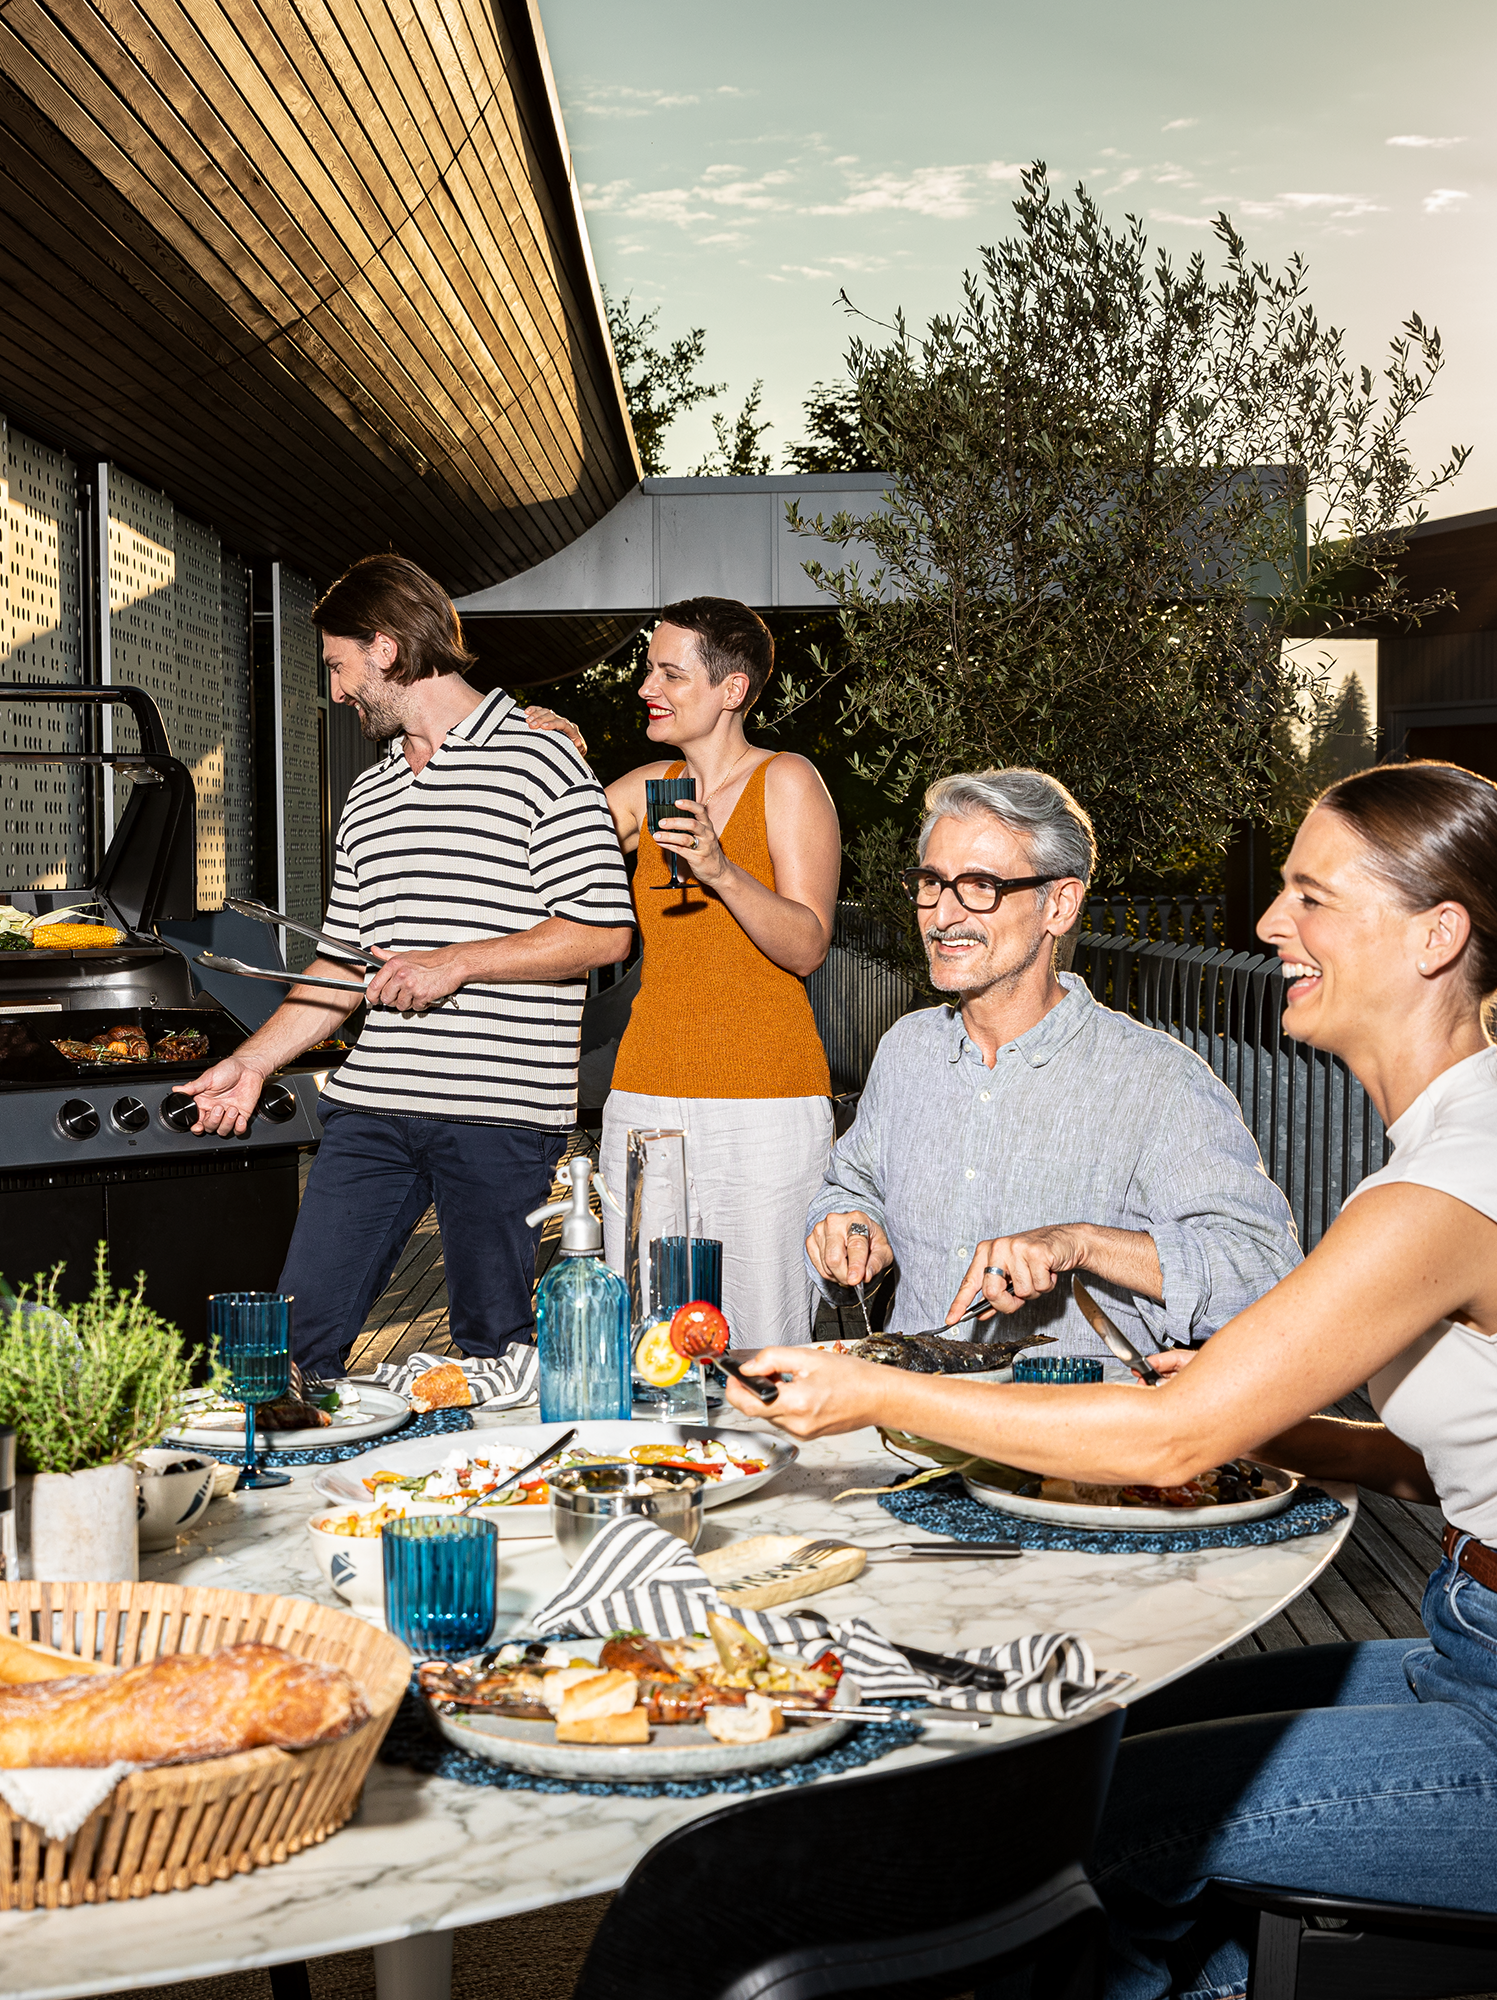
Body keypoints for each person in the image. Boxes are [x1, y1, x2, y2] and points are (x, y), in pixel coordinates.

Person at [732, 761, 1497, 2000]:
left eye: (1307, 895)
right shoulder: (1443, 1147)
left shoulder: (1444, 1178)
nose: (1263, 923)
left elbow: (1162, 1438)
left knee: (1095, 1827)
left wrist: (869, 1389)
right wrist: (1291, 1430)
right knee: (1099, 1758)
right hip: (1461, 1629)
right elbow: (1450, 1452)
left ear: (1436, 933)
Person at [181, 556, 634, 1376]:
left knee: (494, 1351)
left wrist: (452, 964)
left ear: (385, 649)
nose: (337, 688)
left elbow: (603, 932)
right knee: (292, 1342)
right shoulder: (371, 794)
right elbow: (338, 968)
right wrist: (251, 1062)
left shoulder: (543, 761)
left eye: (338, 665)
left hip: (500, 1117)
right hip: (372, 1111)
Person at [804, 769, 1299, 1356]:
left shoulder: (1156, 1081)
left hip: (1068, 1435)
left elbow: (1268, 1275)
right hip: (910, 1420)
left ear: (1059, 906)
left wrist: (1082, 1243)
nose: (942, 915)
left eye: (981, 885)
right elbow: (852, 1185)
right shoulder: (908, 1050)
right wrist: (854, 1226)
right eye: (932, 883)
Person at [585, 598, 840, 1349]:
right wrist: (554, 759)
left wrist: (721, 868)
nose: (645, 688)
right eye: (647, 669)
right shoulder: (646, 788)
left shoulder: (787, 780)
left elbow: (808, 944)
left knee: (761, 1332)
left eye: (670, 673)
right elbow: (549, 845)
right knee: (646, 1330)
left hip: (764, 1101)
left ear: (731, 690)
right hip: (643, 1095)